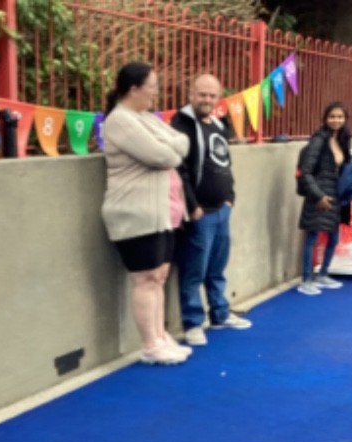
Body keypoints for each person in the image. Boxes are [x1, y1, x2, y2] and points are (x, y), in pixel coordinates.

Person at [101, 62, 192, 365]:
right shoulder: (120, 120)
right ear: (133, 89)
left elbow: (183, 142)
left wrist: (171, 148)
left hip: (161, 213)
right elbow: (162, 155)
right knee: (145, 279)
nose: (156, 92)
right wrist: (170, 148)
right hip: (134, 214)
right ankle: (149, 344)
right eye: (152, 86)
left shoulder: (146, 119)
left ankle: (160, 336)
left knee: (159, 276)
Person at [170, 74, 251, 346]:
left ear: (219, 97)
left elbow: (224, 162)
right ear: (191, 94)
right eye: (202, 94)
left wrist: (230, 198)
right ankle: (193, 323)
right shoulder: (181, 125)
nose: (207, 100)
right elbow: (178, 169)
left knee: (217, 267)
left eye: (212, 95)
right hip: (199, 214)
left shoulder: (219, 124)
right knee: (194, 271)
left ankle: (219, 314)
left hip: (221, 210)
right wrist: (192, 206)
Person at [296, 101, 352, 296]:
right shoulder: (318, 140)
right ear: (325, 118)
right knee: (312, 237)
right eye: (332, 116)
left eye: (340, 117)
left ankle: (323, 274)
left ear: (345, 119)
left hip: (336, 195)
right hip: (319, 196)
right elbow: (306, 172)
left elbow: (343, 168)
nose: (336, 120)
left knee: (334, 237)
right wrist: (318, 195)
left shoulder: (343, 139)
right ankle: (306, 279)